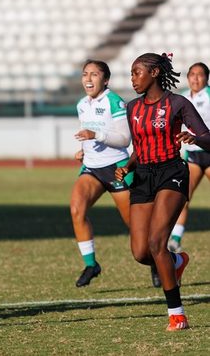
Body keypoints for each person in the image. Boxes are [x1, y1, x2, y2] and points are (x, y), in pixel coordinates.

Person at [116, 53, 210, 331]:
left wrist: (195, 139)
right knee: (141, 253)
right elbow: (138, 148)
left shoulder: (178, 103)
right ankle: (177, 260)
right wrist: (126, 166)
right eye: (132, 74)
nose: (133, 79)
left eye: (137, 73)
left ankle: (177, 315)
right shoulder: (132, 108)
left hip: (172, 172)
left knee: (158, 243)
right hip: (143, 177)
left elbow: (207, 136)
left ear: (155, 73)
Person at [70, 60, 132, 287]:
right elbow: (89, 135)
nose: (88, 78)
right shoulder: (82, 105)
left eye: (94, 74)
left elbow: (125, 139)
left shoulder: (114, 101)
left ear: (105, 80)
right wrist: (83, 150)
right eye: (85, 74)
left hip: (117, 168)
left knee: (135, 226)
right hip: (92, 168)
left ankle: (156, 262)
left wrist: (95, 135)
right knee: (77, 209)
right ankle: (91, 264)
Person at [168, 62, 210, 253]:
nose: (195, 78)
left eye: (199, 74)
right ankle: (175, 239)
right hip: (193, 155)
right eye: (192, 74)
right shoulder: (183, 97)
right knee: (182, 197)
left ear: (206, 78)